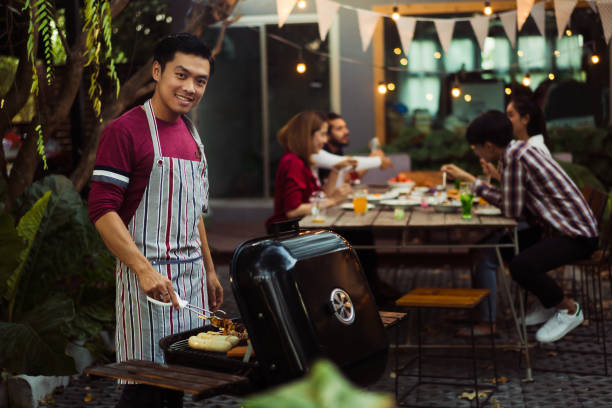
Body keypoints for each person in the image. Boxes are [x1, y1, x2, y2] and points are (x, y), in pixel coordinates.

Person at [88, 33, 222, 408]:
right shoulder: (124, 131)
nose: (190, 88)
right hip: (146, 285)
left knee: (175, 387)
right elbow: (101, 210)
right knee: (145, 386)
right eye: (181, 75)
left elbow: (194, 212)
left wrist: (210, 270)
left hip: (191, 281)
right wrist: (144, 271)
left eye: (200, 80)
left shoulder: (193, 136)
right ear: (158, 71)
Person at [442, 110, 598, 343]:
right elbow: (517, 203)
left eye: (476, 148)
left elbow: (511, 211)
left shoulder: (514, 157)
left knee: (521, 266)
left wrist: (472, 183)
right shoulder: (517, 151)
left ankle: (568, 309)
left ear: (488, 146)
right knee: (496, 248)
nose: (476, 153)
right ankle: (546, 302)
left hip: (576, 235)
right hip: (557, 229)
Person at [465, 96, 553, 336]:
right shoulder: (518, 151)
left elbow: (515, 207)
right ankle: (480, 310)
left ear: (526, 120)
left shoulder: (526, 151)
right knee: (480, 248)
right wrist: (495, 175)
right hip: (532, 223)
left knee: (486, 255)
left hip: (537, 230)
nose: (506, 120)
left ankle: (489, 319)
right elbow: (519, 193)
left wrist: (473, 182)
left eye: (511, 115)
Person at [266, 111, 354, 228]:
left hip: (302, 227)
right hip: (290, 232)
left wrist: (336, 170)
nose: (325, 140)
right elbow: (293, 211)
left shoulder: (301, 161)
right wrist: (333, 200)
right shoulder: (293, 162)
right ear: (307, 135)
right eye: (322, 134)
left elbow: (321, 198)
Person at [316, 112, 392, 183]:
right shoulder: (319, 152)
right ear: (327, 134)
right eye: (339, 129)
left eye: (345, 127)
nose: (346, 131)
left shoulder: (338, 151)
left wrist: (375, 159)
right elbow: (343, 163)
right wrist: (377, 160)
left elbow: (349, 178)